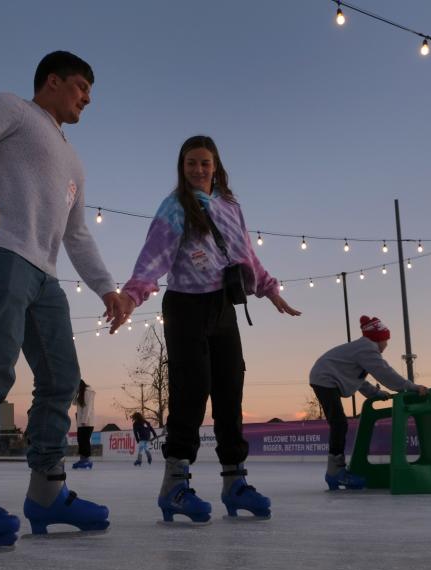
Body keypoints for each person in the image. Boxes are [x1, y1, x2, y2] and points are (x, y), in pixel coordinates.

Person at [0, 50, 128, 549]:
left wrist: (107, 288)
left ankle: (47, 492)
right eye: (81, 87)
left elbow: (77, 233)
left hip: (44, 275)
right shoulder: (14, 109)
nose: (88, 99)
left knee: (61, 379)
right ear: (52, 80)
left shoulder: (74, 161)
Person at [119, 135, 300, 523]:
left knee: (230, 390)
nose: (198, 170)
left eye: (205, 162)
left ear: (216, 165)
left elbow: (245, 253)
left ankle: (234, 483)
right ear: (181, 168)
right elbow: (153, 257)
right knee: (191, 391)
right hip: (185, 305)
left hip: (221, 307)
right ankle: (174, 486)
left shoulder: (230, 207)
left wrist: (270, 290)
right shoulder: (174, 207)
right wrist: (131, 296)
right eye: (191, 164)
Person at [309, 316, 428, 490]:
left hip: (324, 375)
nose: (387, 344)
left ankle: (335, 473)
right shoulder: (367, 348)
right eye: (386, 340)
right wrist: (411, 387)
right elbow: (384, 372)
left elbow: (359, 381)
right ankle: (335, 472)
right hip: (324, 378)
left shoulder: (362, 349)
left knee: (339, 423)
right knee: (339, 423)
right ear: (378, 338)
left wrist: (377, 393)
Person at [71, 380, 95, 470]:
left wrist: (84, 420)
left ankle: (87, 460)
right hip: (81, 422)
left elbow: (87, 408)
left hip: (87, 422)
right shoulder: (81, 393)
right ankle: (82, 459)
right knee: (80, 440)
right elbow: (73, 403)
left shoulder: (87, 392)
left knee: (85, 441)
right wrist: (75, 393)